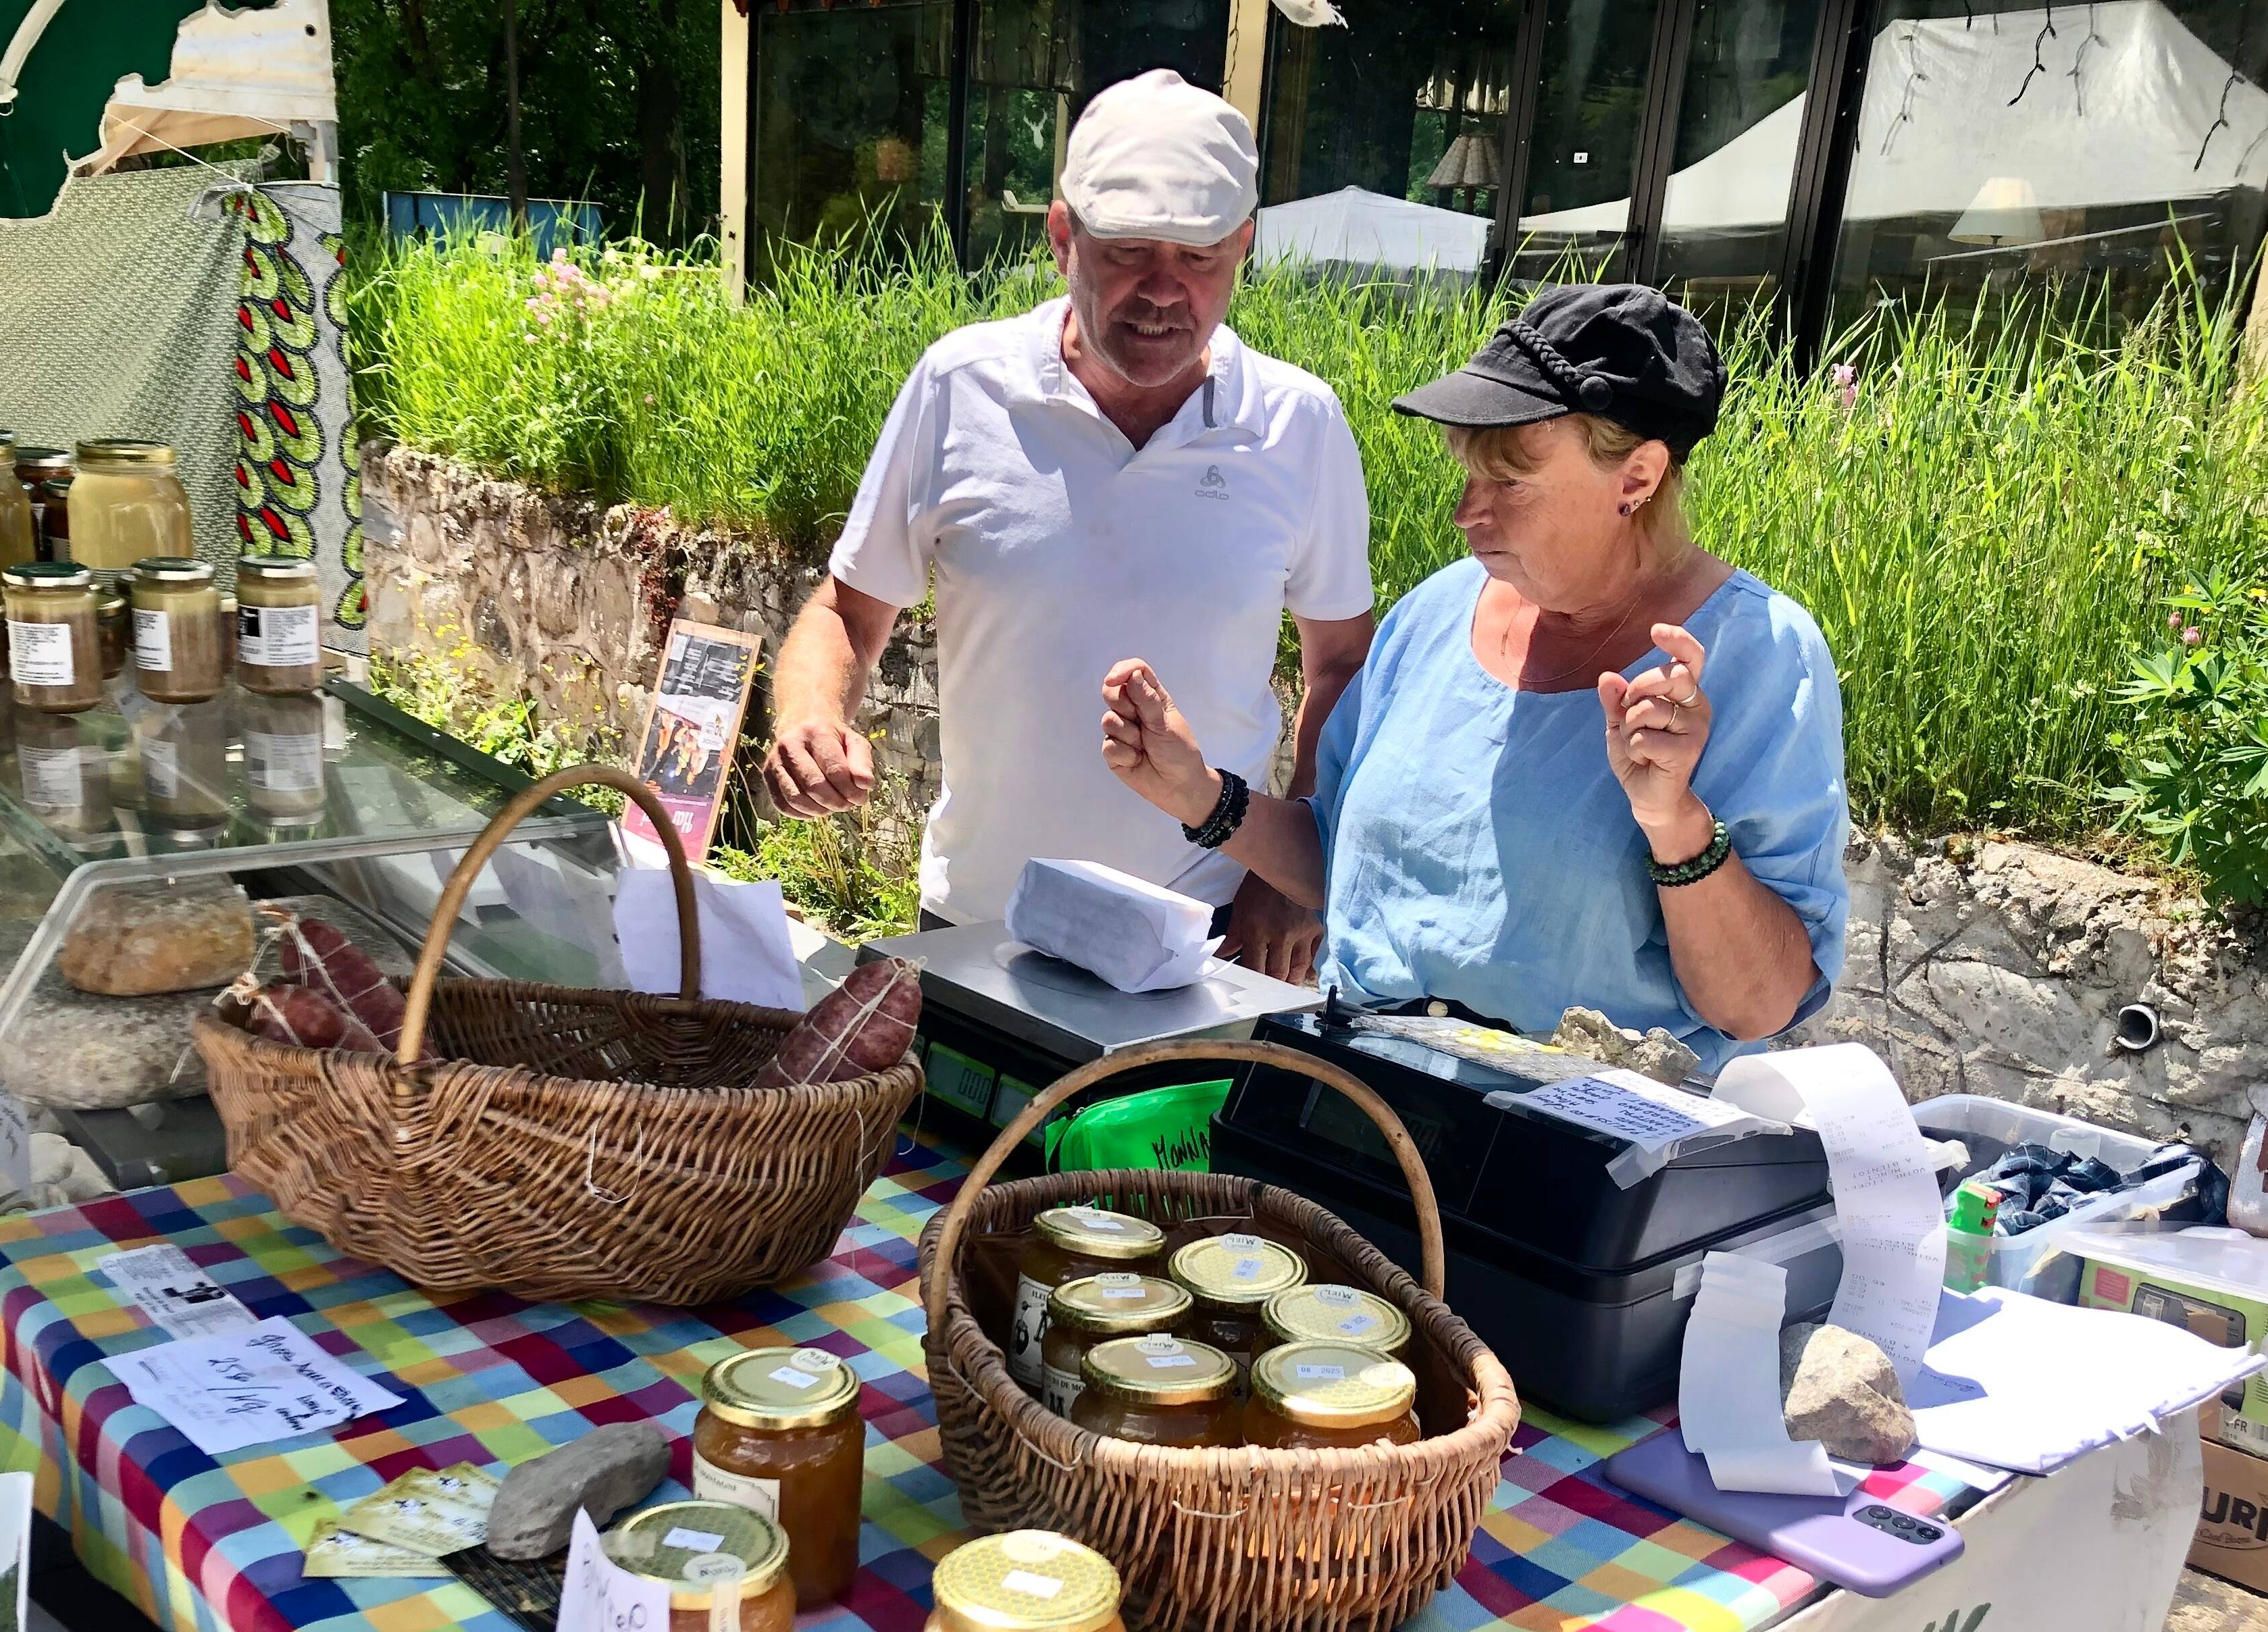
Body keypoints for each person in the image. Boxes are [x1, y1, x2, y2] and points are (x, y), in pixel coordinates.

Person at [1102, 283, 1848, 1071]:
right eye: (1468, 474)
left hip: (1570, 1150)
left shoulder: (1758, 657)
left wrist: (1675, 824)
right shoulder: (1437, 613)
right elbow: (1344, 868)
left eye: (1511, 481)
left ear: (1637, 477)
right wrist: (1197, 794)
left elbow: (1758, 1003)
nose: (1467, 513)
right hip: (1356, 1106)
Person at [765, 68, 1376, 981]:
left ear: (1244, 246)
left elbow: (1344, 666)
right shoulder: (959, 385)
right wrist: (811, 716)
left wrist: (1293, 862)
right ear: (1063, 237)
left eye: (1200, 256)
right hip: (978, 926)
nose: (1166, 291)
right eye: (1130, 253)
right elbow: (849, 614)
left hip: (1204, 938)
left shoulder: (1299, 423)